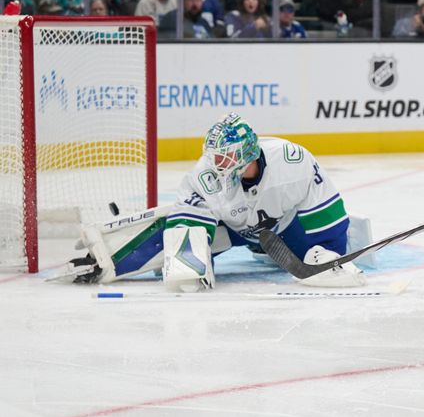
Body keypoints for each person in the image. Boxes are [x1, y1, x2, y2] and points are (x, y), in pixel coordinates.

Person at [65, 113, 368, 289]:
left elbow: (325, 208)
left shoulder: (291, 160)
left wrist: (332, 252)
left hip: (286, 227)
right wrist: (114, 262)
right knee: (177, 248)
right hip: (235, 229)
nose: (217, 162)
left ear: (246, 152)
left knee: (322, 260)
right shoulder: (205, 176)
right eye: (214, 156)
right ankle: (108, 258)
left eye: (224, 155)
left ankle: (267, 247)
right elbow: (184, 224)